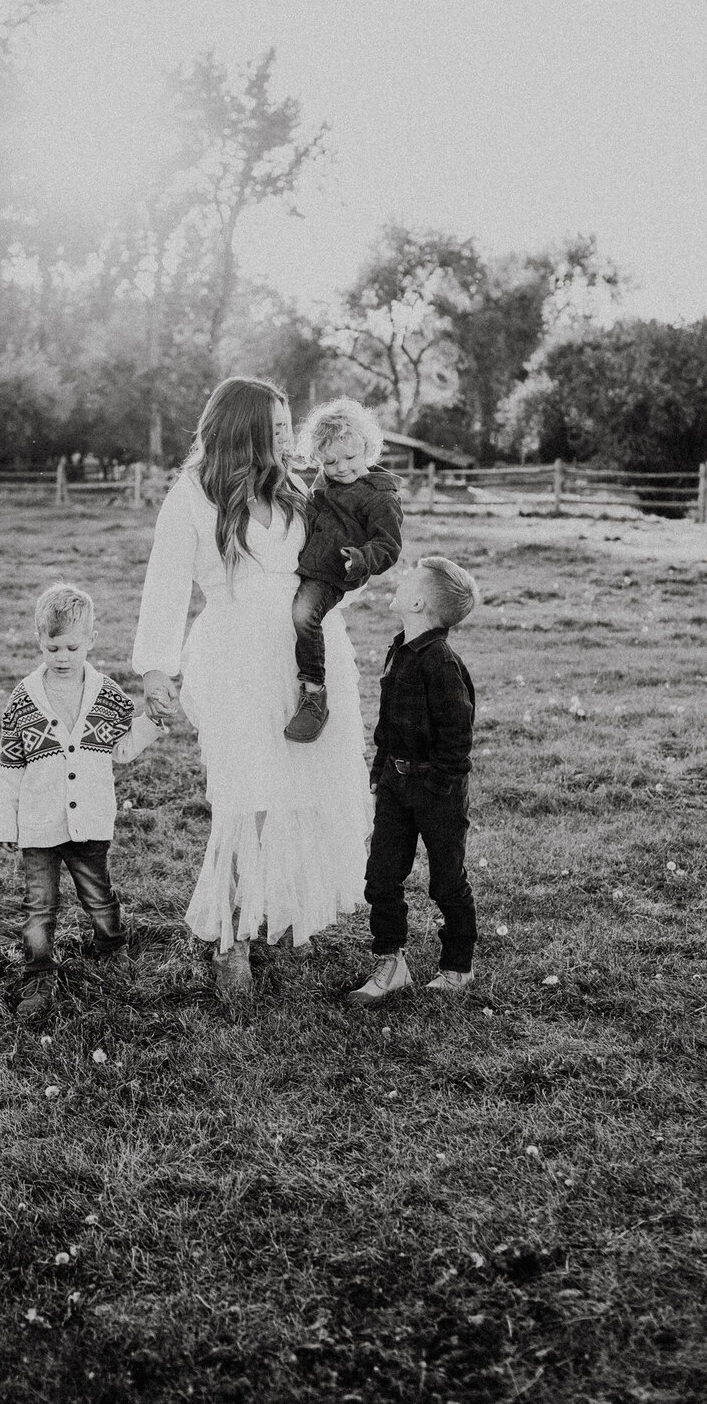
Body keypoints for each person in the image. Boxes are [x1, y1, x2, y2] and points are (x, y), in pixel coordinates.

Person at [132, 376, 373, 999]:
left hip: (307, 658)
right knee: (247, 793)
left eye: (289, 426)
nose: (290, 438)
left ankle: (268, 910)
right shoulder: (193, 495)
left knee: (296, 791)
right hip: (236, 656)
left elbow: (336, 559)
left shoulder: (298, 489)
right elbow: (165, 581)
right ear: (242, 430)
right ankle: (229, 939)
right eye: (277, 428)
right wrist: (157, 667)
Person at [0, 582, 162, 998]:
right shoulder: (23, 699)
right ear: (39, 641)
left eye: (72, 647)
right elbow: (10, 766)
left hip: (89, 820)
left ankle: (111, 947)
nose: (63, 657)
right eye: (53, 649)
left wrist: (150, 722)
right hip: (38, 825)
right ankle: (39, 975)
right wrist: (6, 823)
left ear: (91, 640)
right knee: (39, 907)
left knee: (99, 895)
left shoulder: (107, 695)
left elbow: (121, 749)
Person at [349, 555, 479, 1007]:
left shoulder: (441, 663)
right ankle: (391, 963)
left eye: (409, 579)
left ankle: (457, 966)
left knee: (447, 882)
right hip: (394, 786)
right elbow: (388, 723)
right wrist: (381, 770)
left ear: (419, 601)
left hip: (436, 792)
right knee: (381, 877)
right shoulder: (400, 648)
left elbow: (457, 738)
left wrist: (438, 787)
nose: (399, 581)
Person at [284, 397, 403, 743]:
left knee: (304, 614)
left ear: (367, 447)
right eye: (330, 461)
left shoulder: (379, 496)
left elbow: (389, 545)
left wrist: (360, 558)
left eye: (350, 458)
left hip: (334, 572)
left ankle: (314, 692)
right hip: (308, 563)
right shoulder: (326, 481)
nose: (342, 468)